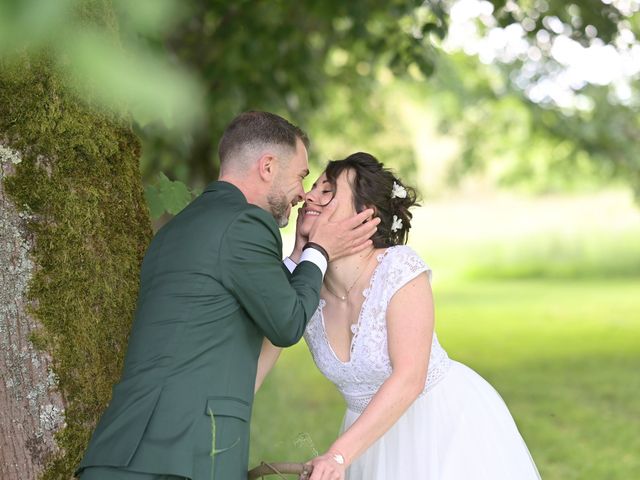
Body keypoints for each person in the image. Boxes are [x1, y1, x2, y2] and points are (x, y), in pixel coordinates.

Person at [75, 112, 380, 480]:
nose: (303, 193)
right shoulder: (247, 223)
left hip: (125, 450)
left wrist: (299, 256)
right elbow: (286, 324)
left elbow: (234, 295)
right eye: (300, 175)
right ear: (267, 166)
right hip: (183, 455)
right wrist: (319, 251)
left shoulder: (181, 228)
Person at [256, 152, 542, 480]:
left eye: (327, 190)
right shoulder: (304, 286)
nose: (308, 196)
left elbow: (409, 378)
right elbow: (256, 369)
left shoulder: (399, 268)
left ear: (366, 215)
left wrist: (337, 456)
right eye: (312, 188)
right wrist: (298, 256)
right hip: (369, 442)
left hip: (440, 426)